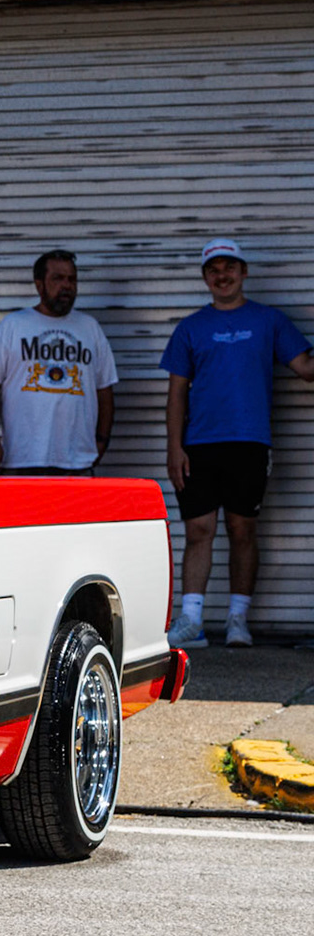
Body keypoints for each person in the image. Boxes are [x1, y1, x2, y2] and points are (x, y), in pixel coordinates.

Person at [162, 239, 314, 648]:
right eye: (214, 269)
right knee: (199, 529)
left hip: (249, 442)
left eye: (230, 267)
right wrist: (174, 447)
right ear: (205, 277)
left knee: (242, 528)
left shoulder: (269, 321)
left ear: (244, 272)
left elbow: (305, 368)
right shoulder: (191, 327)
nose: (222, 275)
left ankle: (237, 620)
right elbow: (176, 393)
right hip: (199, 445)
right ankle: (191, 621)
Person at [0, 249, 117, 476]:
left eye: (72, 279)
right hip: (20, 459)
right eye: (58, 278)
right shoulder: (13, 325)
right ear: (39, 284)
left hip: (77, 462)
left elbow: (105, 390)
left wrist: (101, 441)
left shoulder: (89, 328)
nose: (67, 286)